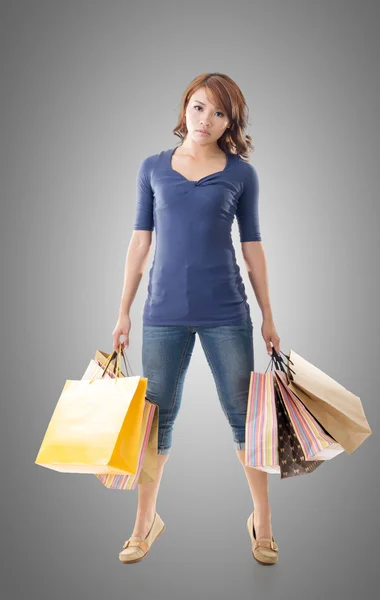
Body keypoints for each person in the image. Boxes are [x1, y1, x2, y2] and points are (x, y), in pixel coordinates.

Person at [112, 72, 281, 565]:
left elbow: (253, 249)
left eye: (219, 112)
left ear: (231, 122)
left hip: (227, 311)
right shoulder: (152, 169)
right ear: (185, 107)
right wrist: (122, 310)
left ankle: (262, 521)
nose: (206, 120)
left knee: (244, 420)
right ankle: (144, 523)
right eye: (199, 107)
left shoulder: (241, 174)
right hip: (162, 313)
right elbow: (140, 244)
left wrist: (269, 315)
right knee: (155, 421)